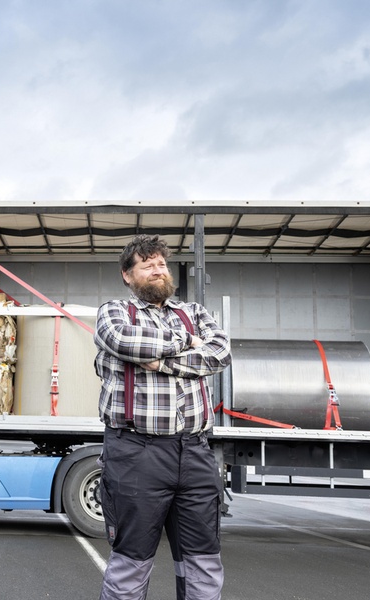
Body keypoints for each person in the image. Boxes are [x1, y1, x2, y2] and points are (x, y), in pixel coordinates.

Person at [94, 234, 232, 600]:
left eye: (162, 263)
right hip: (136, 452)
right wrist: (188, 342)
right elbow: (124, 340)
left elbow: (220, 353)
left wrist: (159, 360)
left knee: (203, 558)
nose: (158, 269)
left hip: (196, 452)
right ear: (127, 274)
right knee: (132, 560)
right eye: (147, 264)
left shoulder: (196, 313)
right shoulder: (115, 312)